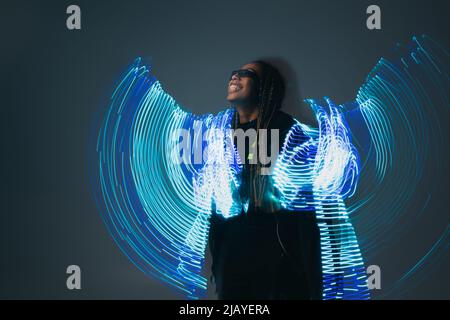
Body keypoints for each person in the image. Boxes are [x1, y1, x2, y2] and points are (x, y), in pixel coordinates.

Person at [208, 60, 322, 300]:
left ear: (264, 87)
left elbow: (305, 210)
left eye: (245, 74)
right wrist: (218, 261)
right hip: (233, 258)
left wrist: (311, 279)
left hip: (277, 259)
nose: (234, 77)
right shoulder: (221, 135)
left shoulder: (287, 130)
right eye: (234, 72)